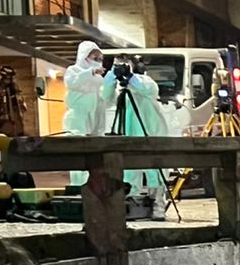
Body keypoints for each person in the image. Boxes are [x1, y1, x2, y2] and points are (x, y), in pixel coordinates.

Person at [101, 58, 173, 220]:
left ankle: (157, 203)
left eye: (123, 65)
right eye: (116, 65)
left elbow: (147, 88)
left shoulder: (145, 81)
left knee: (155, 169)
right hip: (129, 133)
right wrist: (111, 77)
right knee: (128, 171)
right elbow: (104, 98)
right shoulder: (120, 92)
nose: (121, 68)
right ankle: (132, 204)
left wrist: (131, 76)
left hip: (150, 131)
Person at [61, 42, 107, 186]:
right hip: (78, 117)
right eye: (94, 57)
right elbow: (72, 83)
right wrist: (90, 73)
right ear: (84, 56)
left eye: (100, 58)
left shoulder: (98, 78)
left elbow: (100, 95)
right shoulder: (74, 70)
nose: (97, 61)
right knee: (78, 153)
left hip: (93, 115)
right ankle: (78, 187)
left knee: (93, 155)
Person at [0, 66, 26, 137]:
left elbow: (20, 100)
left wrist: (21, 107)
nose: (9, 78)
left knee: (19, 134)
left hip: (16, 116)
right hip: (4, 117)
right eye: (8, 76)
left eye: (10, 76)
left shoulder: (15, 87)